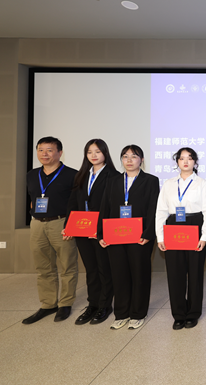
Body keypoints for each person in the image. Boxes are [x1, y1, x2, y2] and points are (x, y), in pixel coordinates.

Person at [98, 145, 159, 330]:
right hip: (115, 235)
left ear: (142, 159)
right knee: (119, 274)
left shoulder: (150, 180)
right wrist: (102, 233)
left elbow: (153, 208)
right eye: (125, 156)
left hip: (140, 236)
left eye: (134, 156)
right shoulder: (113, 181)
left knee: (139, 274)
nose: (129, 160)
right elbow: (105, 207)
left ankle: (138, 313)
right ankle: (122, 313)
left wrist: (148, 234)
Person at [23, 136, 78, 324]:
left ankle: (65, 303)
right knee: (43, 266)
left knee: (67, 265)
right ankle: (48, 304)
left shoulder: (72, 175)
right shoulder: (32, 175)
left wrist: (70, 226)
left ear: (60, 153)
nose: (44, 154)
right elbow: (33, 199)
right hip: (37, 224)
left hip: (61, 224)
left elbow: (77, 204)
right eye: (40, 150)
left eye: (49, 150)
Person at [156, 147, 206, 330]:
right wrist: (160, 236)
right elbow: (161, 211)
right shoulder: (168, 184)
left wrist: (204, 236)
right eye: (182, 158)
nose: (186, 161)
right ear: (177, 162)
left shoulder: (202, 183)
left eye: (189, 158)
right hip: (173, 227)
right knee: (175, 273)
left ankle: (193, 313)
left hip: (195, 225)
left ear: (195, 162)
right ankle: (178, 314)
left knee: (195, 273)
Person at [63, 139, 118, 326]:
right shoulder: (82, 175)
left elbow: (112, 206)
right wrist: (68, 225)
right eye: (89, 152)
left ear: (105, 153)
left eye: (97, 152)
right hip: (82, 228)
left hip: (100, 231)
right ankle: (92, 304)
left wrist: (101, 230)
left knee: (104, 269)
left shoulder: (113, 176)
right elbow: (73, 202)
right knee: (91, 269)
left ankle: (105, 305)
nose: (93, 155)